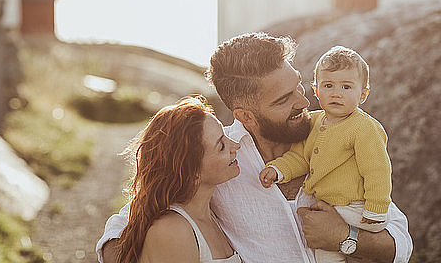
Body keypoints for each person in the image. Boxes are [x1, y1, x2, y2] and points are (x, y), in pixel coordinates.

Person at [97, 32, 413, 263]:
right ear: (246, 116)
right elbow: (119, 237)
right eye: (283, 100)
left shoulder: (336, 134)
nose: (304, 103)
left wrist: (345, 238)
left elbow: (400, 242)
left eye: (299, 87)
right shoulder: (218, 158)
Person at [260, 46, 392, 262]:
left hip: (356, 208)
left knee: (362, 253)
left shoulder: (364, 127)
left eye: (346, 87)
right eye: (328, 85)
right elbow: (300, 157)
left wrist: (376, 208)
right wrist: (278, 169)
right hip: (326, 207)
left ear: (363, 95)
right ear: (316, 89)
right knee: (324, 255)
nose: (336, 93)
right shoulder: (312, 122)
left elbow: (377, 169)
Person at [115, 96, 242, 263]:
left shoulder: (212, 213)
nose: (236, 146)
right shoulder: (173, 231)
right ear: (193, 171)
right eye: (221, 146)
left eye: (225, 135)